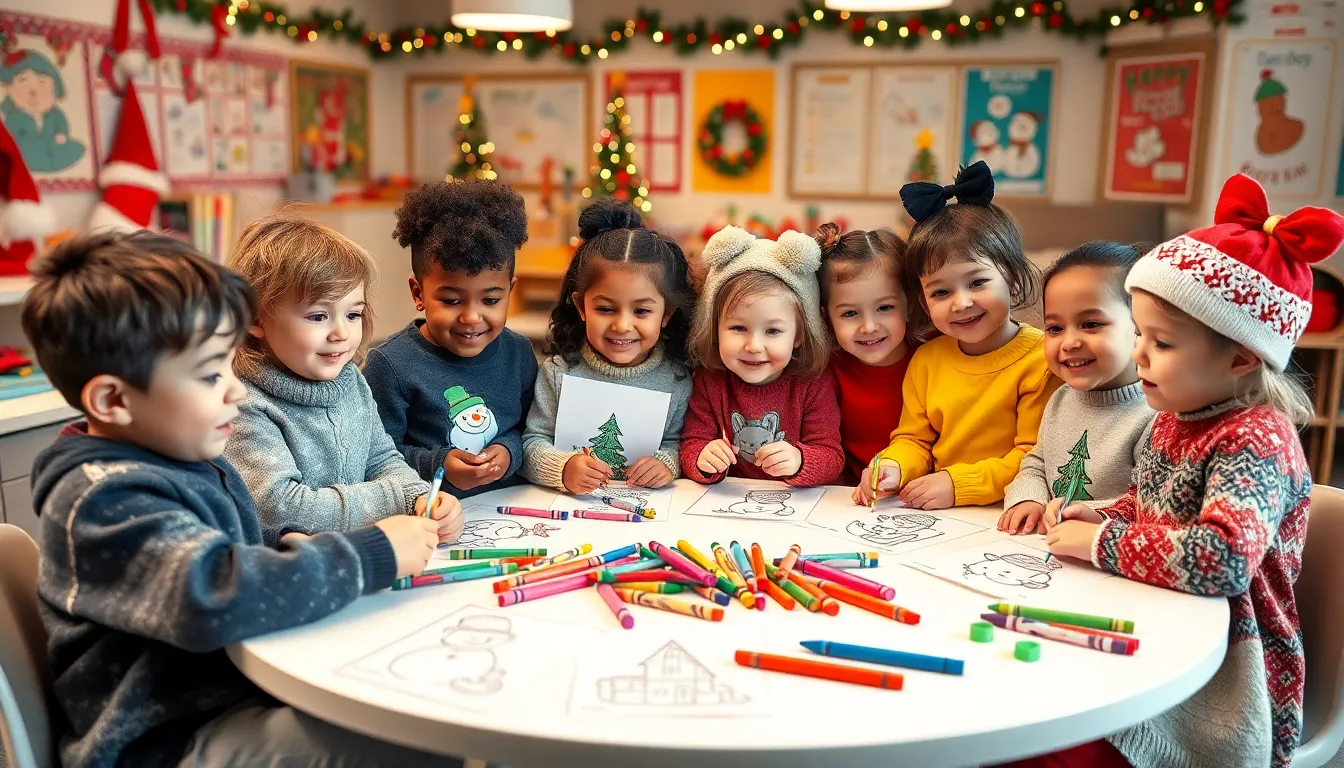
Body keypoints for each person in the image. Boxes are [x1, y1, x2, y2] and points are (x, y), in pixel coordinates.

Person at [21, 231, 460, 767]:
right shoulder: (101, 500)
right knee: (418, 746)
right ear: (113, 399)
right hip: (164, 743)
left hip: (232, 695)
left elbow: (230, 549)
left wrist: (280, 551)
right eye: (210, 374)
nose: (235, 389)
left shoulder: (183, 454)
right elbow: (211, 591)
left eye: (229, 365)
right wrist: (371, 553)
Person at [1040, 174, 1344, 768]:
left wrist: (1103, 541)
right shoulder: (1177, 416)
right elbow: (1157, 505)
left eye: (1162, 343)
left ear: (1238, 357)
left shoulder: (1256, 439)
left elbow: (1222, 560)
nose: (1138, 355)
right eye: (1141, 336)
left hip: (1228, 673)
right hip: (1162, 629)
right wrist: (1103, 512)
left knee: (1056, 744)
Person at [223, 214, 461, 544]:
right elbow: (280, 509)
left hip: (360, 559)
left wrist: (422, 499)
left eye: (353, 314)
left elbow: (382, 460)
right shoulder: (243, 405)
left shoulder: (350, 381)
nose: (342, 333)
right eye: (318, 316)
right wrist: (395, 499)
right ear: (255, 317)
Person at [860, 161, 1059, 510]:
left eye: (978, 282)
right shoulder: (927, 360)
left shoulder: (1042, 359)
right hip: (938, 518)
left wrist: (958, 485)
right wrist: (893, 465)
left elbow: (1035, 457)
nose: (961, 303)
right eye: (940, 293)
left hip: (1010, 512)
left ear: (1013, 282)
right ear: (923, 301)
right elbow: (914, 440)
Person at [366, 180, 537, 498]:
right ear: (419, 294)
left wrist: (509, 451)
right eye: (452, 300)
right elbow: (375, 457)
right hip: (433, 521)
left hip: (512, 511)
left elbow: (531, 430)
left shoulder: (518, 353)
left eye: (490, 300)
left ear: (510, 290)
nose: (472, 318)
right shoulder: (390, 365)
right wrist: (438, 464)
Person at [522, 199, 696, 493]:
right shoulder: (558, 372)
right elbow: (531, 442)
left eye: (641, 311)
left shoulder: (677, 379)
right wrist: (562, 469)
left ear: (666, 314)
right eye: (605, 309)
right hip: (567, 514)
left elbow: (680, 443)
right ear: (581, 307)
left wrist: (667, 463)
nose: (622, 325)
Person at [999, 241, 1155, 534]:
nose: (1069, 342)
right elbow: (1036, 461)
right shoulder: (1060, 398)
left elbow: (1149, 503)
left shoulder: (1155, 414)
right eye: (1055, 329)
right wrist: (1028, 498)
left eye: (1091, 324)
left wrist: (1086, 514)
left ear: (1142, 325)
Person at [680, 226, 844, 486]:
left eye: (773, 331)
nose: (754, 346)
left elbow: (831, 456)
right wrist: (702, 457)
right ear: (714, 329)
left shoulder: (812, 383)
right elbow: (692, 443)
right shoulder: (708, 382)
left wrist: (800, 460)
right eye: (738, 328)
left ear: (799, 335)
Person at [814, 221, 919, 486]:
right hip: (844, 499)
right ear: (826, 317)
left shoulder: (933, 360)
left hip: (922, 495)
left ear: (909, 304)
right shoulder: (824, 371)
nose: (869, 326)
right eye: (849, 313)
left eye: (884, 308)